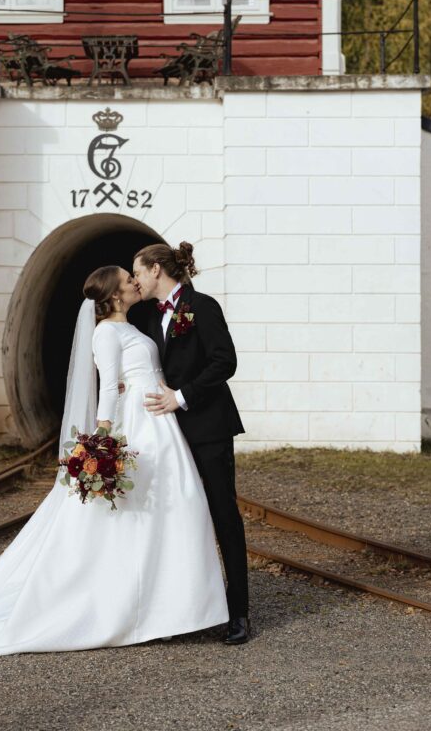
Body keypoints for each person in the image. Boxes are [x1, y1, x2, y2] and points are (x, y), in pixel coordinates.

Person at [0, 264, 229, 654]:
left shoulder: (134, 326)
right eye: (127, 280)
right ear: (115, 295)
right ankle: (137, 606)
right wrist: (103, 440)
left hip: (159, 422)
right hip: (136, 424)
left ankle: (174, 606)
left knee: (173, 510)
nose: (134, 282)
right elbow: (108, 387)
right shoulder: (105, 332)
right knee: (135, 515)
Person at [131, 242, 250, 645]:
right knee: (175, 517)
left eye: (139, 271)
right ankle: (185, 609)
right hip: (166, 435)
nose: (136, 280)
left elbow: (225, 361)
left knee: (223, 515)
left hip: (208, 428)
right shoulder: (148, 315)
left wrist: (181, 397)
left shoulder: (203, 305)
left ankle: (239, 613)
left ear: (157, 270)